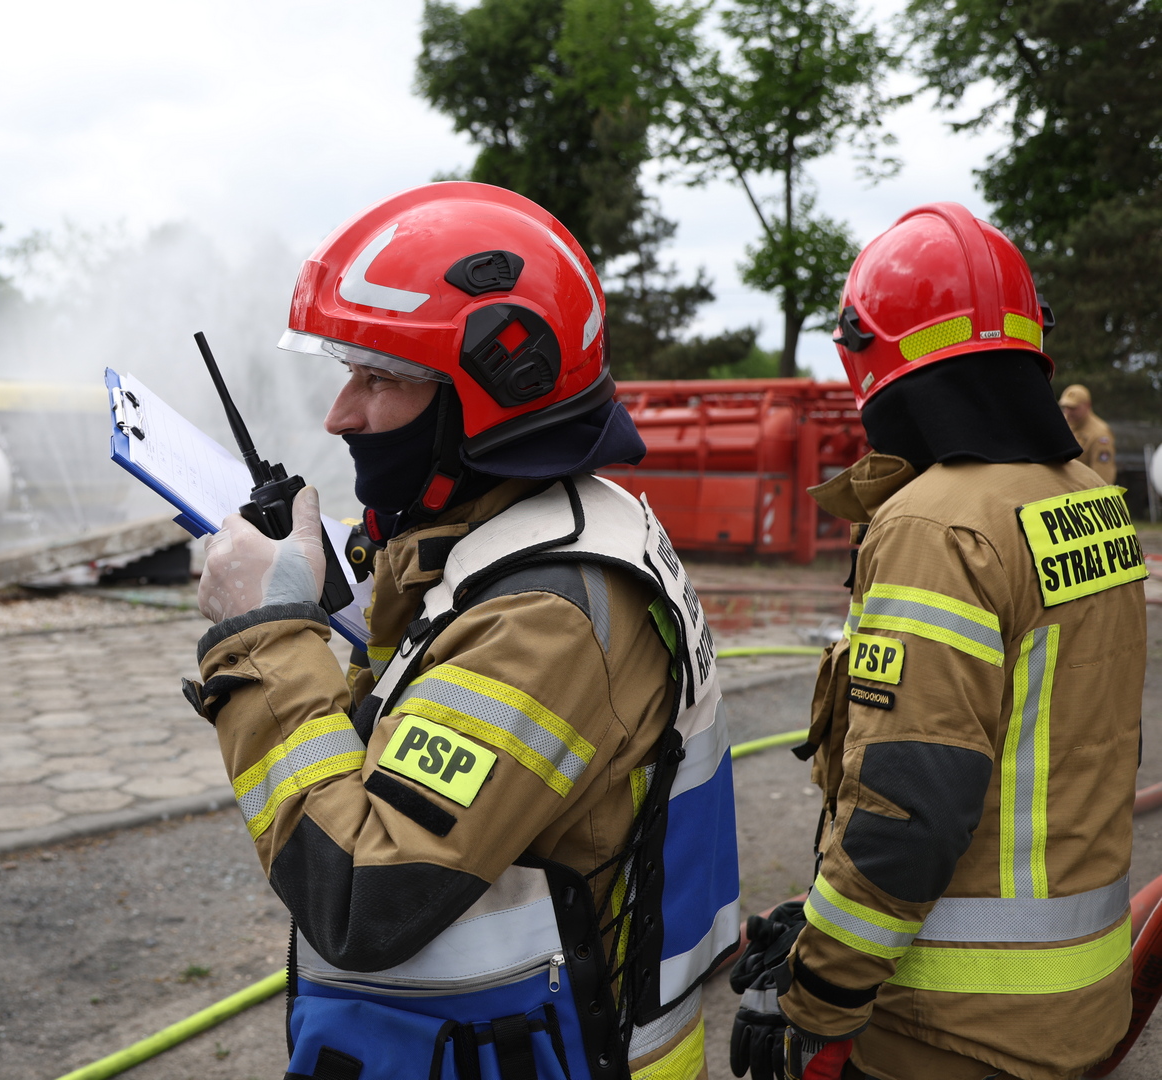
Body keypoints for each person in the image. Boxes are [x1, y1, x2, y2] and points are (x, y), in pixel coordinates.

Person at [184, 182, 740, 1080]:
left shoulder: (547, 614)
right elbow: (419, 714)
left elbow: (363, 895)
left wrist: (265, 635)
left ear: (496, 388)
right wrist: (351, 595)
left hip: (560, 1055)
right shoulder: (542, 530)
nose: (339, 415)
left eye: (380, 380)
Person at [727, 202, 1146, 1080]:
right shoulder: (1083, 496)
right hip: (1076, 998)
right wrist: (821, 908)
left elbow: (907, 801)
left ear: (872, 359)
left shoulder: (935, 525)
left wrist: (822, 992)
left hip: (951, 1031)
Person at [1058, 384, 1117, 483]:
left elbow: (1103, 477)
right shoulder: (1064, 423)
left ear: (1087, 405)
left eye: (1073, 408)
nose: (1068, 412)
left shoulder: (1100, 434)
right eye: (1065, 407)